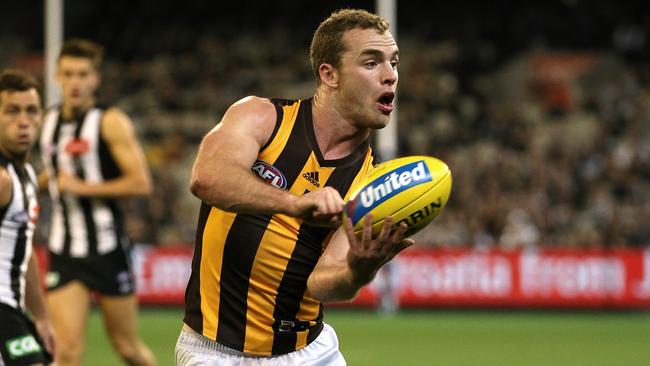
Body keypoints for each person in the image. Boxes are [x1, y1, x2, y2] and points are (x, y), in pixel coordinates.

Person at [176, 9, 414, 365]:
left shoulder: (370, 183)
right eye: (371, 63)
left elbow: (321, 283)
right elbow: (207, 177)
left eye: (393, 62)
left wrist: (358, 270)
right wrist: (293, 204)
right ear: (329, 74)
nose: (390, 75)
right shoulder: (262, 117)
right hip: (217, 353)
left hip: (310, 352)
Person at [38, 38, 156, 366]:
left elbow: (141, 183)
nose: (75, 82)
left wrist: (82, 187)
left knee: (127, 348)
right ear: (57, 77)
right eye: (69, 74)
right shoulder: (47, 123)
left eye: (83, 74)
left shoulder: (110, 121)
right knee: (66, 352)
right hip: (64, 251)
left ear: (96, 79)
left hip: (107, 248)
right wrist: (30, 187)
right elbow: (54, 173)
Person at [0, 69, 56, 365]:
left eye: (31, 110)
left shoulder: (26, 176)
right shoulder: (2, 181)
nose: (23, 121)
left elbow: (26, 251)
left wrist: (42, 317)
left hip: (12, 308)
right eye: (12, 111)